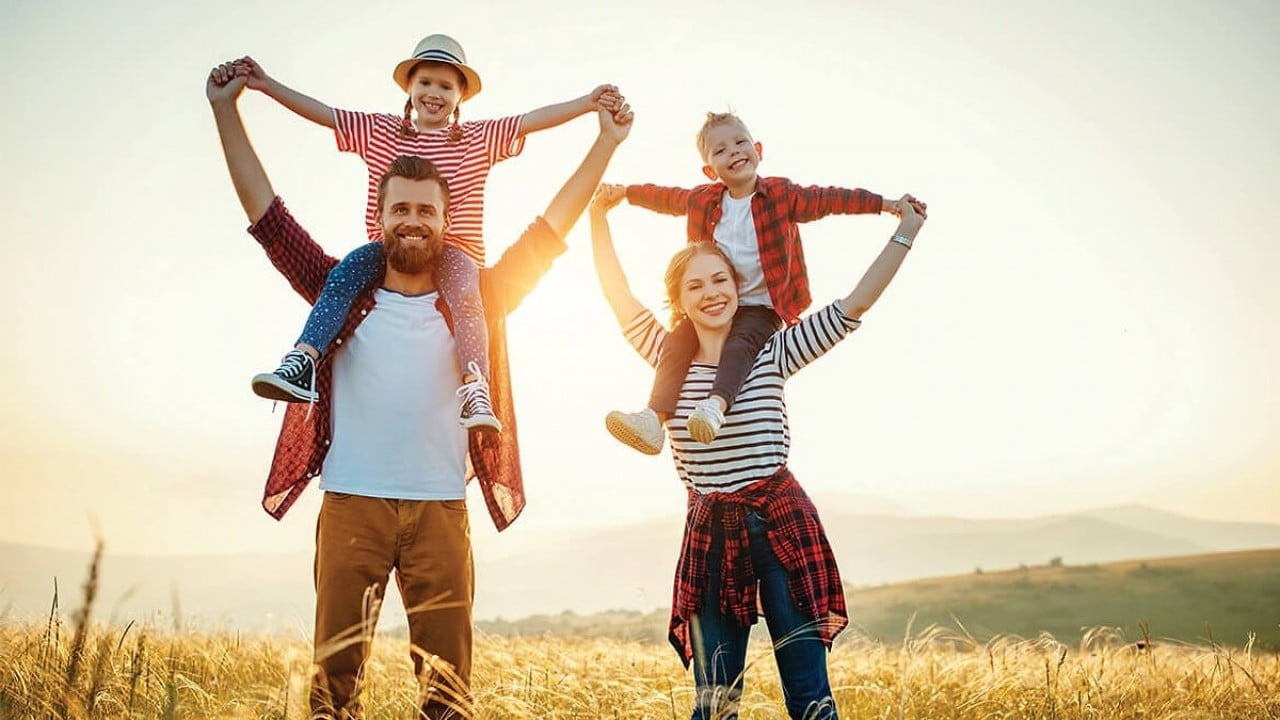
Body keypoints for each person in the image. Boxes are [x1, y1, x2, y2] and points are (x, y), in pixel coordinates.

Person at [207, 59, 631, 719]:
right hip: (353, 506)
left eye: (425, 211)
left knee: (447, 692)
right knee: (331, 689)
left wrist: (604, 141)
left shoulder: (480, 299)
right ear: (379, 218)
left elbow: (552, 229)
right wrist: (226, 110)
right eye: (399, 208)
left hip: (438, 509)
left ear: (445, 217)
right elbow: (267, 215)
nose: (413, 220)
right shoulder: (339, 293)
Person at [589, 183, 926, 720]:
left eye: (720, 279)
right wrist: (598, 220)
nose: (711, 293)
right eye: (695, 286)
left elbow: (853, 305)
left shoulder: (772, 352)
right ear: (679, 300)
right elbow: (617, 294)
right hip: (711, 534)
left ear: (738, 286)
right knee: (715, 705)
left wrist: (905, 231)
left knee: (810, 700)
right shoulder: (664, 358)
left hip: (780, 527)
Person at [237, 34, 621, 433]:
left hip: (455, 253)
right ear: (409, 87)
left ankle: (475, 386)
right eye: (424, 82)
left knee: (470, 305)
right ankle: (303, 359)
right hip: (387, 251)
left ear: (460, 97)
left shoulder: (476, 139)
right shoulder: (380, 131)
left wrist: (587, 104)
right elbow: (325, 114)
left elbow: (531, 120)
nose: (433, 93)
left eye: (445, 86)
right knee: (340, 280)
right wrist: (267, 86)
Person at [601, 111, 924, 453]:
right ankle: (653, 417)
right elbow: (666, 198)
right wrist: (625, 193)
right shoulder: (703, 201)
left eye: (741, 143)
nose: (734, 152)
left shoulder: (782, 196)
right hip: (718, 303)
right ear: (711, 170)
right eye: (721, 150)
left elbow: (831, 199)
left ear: (758, 149)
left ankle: (715, 406)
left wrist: (886, 205)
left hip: (762, 307)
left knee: (741, 346)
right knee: (676, 344)